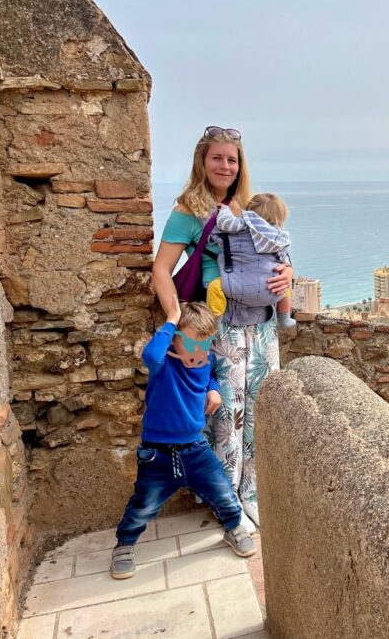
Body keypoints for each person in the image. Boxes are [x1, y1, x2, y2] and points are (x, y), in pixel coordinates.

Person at [151, 126, 293, 532]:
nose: (225, 166)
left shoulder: (248, 207)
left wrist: (289, 275)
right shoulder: (188, 211)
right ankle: (225, 499)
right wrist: (176, 319)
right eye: (217, 158)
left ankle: (252, 492)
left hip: (262, 326)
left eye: (232, 159)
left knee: (260, 410)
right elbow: (161, 270)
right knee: (226, 415)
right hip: (222, 326)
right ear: (203, 161)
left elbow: (278, 254)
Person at [110, 300, 256, 580]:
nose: (199, 351)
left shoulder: (204, 360)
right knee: (143, 504)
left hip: (195, 448)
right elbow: (150, 355)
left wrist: (213, 389)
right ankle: (125, 545)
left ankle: (233, 527)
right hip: (157, 452)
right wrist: (173, 317)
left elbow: (209, 375)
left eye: (205, 344)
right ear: (175, 339)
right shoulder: (163, 362)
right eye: (191, 343)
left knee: (222, 491)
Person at [206, 192, 296, 329]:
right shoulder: (277, 236)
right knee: (285, 286)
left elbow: (225, 222)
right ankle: (284, 317)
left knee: (215, 287)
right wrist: (289, 269)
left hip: (238, 288)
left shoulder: (242, 225)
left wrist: (224, 209)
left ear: (250, 210)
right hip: (271, 289)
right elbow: (283, 258)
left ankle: (215, 323)